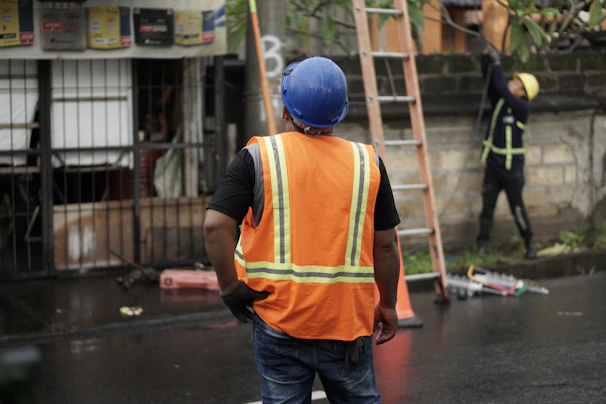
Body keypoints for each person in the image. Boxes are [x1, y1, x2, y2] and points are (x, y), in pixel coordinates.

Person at [203, 56, 401, 403]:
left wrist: (230, 289)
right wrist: (388, 304)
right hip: (347, 327)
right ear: (340, 113)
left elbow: (215, 227)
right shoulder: (367, 163)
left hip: (279, 321)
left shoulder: (258, 157)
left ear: (285, 111)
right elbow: (385, 247)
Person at [477, 50, 540, 260]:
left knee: (517, 209)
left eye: (516, 84)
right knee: (487, 208)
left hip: (512, 169)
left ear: (523, 93)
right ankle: (482, 245)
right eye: (512, 82)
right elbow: (492, 83)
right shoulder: (501, 103)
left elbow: (502, 88)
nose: (511, 83)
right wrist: (486, 61)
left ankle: (530, 243)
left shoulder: (521, 108)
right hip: (494, 166)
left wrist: (497, 64)